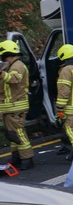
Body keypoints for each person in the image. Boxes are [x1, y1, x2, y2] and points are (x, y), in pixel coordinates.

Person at [0, 40, 34, 170]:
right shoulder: (11, 65)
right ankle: (17, 157)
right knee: (12, 133)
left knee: (19, 133)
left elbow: (14, 79)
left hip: (16, 106)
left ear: (7, 54)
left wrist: (1, 73)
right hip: (10, 107)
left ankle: (27, 158)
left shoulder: (17, 65)